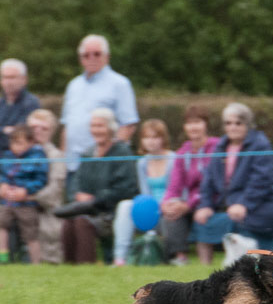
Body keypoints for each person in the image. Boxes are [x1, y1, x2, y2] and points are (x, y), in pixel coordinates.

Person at [194, 103, 273, 255]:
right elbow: (208, 180)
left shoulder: (260, 145)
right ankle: (205, 273)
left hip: (261, 207)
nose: (233, 127)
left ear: (248, 124)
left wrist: (244, 204)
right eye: (228, 123)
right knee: (203, 222)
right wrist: (206, 205)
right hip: (233, 208)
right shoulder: (220, 147)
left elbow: (262, 181)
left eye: (238, 123)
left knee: (235, 224)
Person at [60, 108, 138, 264]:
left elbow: (127, 188)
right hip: (86, 208)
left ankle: (87, 267)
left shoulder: (122, 151)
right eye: (93, 126)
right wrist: (77, 195)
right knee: (69, 223)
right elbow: (76, 181)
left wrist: (97, 198)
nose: (96, 130)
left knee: (83, 223)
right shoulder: (88, 153)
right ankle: (69, 269)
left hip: (111, 210)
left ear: (111, 128)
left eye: (100, 126)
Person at [60, 35, 139, 183]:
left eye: (97, 54)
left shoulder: (120, 84)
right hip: (74, 166)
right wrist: (63, 162)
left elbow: (128, 125)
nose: (91, 58)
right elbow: (67, 127)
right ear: (80, 58)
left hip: (104, 167)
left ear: (107, 57)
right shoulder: (73, 85)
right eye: (86, 55)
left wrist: (110, 158)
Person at [111, 119, 176, 266]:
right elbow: (145, 193)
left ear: (163, 138)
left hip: (168, 209)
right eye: (146, 138)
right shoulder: (142, 163)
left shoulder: (174, 159)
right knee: (125, 206)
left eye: (155, 137)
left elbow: (176, 189)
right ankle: (120, 257)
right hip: (151, 211)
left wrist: (165, 205)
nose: (150, 142)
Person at [161, 105, 220, 265]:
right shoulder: (182, 152)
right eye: (189, 123)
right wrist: (167, 203)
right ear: (184, 126)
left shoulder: (216, 147)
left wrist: (188, 204)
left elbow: (212, 184)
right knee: (170, 215)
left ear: (206, 124)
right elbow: (174, 185)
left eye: (198, 122)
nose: (193, 127)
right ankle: (180, 258)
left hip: (213, 199)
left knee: (187, 211)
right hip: (189, 203)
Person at [0, 125, 47, 263]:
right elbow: (3, 174)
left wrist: (26, 190)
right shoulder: (8, 156)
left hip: (26, 203)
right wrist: (3, 185)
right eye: (13, 143)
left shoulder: (38, 157)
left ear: (31, 142)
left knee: (31, 234)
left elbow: (40, 179)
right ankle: (3, 258)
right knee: (1, 224)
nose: (15, 147)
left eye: (19, 143)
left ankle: (36, 263)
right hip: (7, 201)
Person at [25, 109, 66, 263]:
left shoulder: (56, 156)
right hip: (15, 206)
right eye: (34, 127)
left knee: (48, 227)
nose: (38, 131)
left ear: (52, 131)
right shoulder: (17, 153)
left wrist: (29, 197)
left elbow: (55, 190)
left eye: (44, 128)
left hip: (46, 208)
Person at [0, 59, 40, 153]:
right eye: (5, 77)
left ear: (24, 79)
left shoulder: (31, 103)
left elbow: (21, 136)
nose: (8, 82)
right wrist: (4, 130)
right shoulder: (1, 103)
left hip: (20, 161)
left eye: (12, 77)